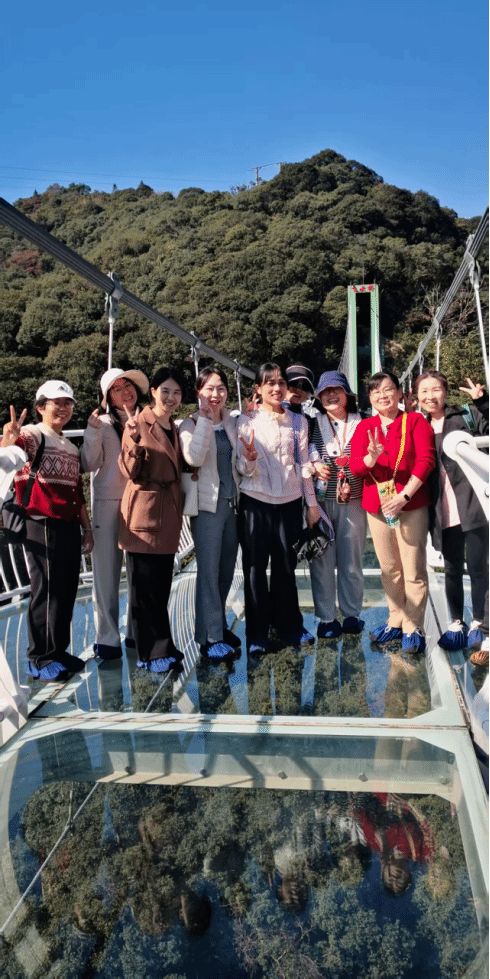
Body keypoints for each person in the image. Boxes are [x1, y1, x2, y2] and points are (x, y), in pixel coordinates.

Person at [1, 381, 93, 681]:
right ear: (41, 407)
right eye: (56, 403)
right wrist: (8, 440)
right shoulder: (32, 435)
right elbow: (9, 458)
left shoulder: (71, 447)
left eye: (68, 403)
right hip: (39, 521)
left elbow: (77, 493)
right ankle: (39, 658)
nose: (63, 408)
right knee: (46, 590)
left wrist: (87, 528)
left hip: (67, 524)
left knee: (66, 589)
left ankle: (58, 651)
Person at [350, 371, 436, 655]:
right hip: (378, 506)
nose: (382, 395)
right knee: (389, 568)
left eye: (388, 389)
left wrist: (404, 496)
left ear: (400, 393)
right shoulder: (365, 427)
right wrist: (371, 457)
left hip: (410, 503)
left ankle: (413, 626)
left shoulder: (415, 421)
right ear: (369, 398)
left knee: (413, 568)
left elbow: (426, 460)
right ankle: (396, 619)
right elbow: (356, 468)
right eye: (375, 391)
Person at [236, 363, 319, 655]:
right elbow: (242, 469)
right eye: (269, 383)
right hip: (255, 502)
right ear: (258, 388)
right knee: (254, 569)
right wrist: (249, 458)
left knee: (286, 566)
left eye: (281, 382)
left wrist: (311, 505)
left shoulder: (299, 422)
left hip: (289, 502)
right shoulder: (246, 420)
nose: (276, 388)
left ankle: (289, 626)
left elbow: (305, 465)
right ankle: (257, 633)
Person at [415, 371, 489, 653]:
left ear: (445, 392)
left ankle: (480, 621)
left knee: (479, 567)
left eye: (435, 389)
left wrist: (483, 401)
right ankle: (457, 621)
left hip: (473, 502)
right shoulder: (418, 426)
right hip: (441, 508)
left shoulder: (467, 416)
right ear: (416, 396)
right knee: (452, 568)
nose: (430, 396)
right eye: (424, 391)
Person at [118, 367, 185, 675]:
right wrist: (132, 439)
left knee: (160, 585)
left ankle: (158, 644)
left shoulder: (173, 426)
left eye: (177, 392)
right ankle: (152, 652)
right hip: (144, 511)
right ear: (154, 392)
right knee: (144, 588)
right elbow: (128, 470)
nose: (171, 397)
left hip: (167, 512)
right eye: (165, 391)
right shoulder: (138, 423)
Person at [81, 367, 149, 660]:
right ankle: (107, 639)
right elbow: (88, 463)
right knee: (106, 573)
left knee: (139, 572)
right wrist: (92, 433)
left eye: (128, 385)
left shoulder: (148, 419)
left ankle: (135, 632)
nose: (125, 392)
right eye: (116, 389)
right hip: (108, 501)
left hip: (141, 501)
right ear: (108, 397)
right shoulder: (101, 423)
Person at [179, 366, 246, 661]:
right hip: (207, 507)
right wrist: (206, 420)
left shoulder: (233, 421)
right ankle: (210, 638)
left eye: (220, 388)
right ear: (199, 393)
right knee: (208, 571)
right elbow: (193, 457)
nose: (215, 394)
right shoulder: (189, 424)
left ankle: (216, 626)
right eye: (209, 389)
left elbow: (241, 463)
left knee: (226, 570)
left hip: (233, 504)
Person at [308, 370, 366, 637]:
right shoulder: (311, 423)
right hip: (319, 503)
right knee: (320, 560)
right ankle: (326, 618)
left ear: (347, 394)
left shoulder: (364, 421)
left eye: (336, 389)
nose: (331, 395)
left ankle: (352, 614)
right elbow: (300, 454)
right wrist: (313, 465)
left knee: (351, 560)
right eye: (325, 391)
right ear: (319, 398)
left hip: (354, 499)